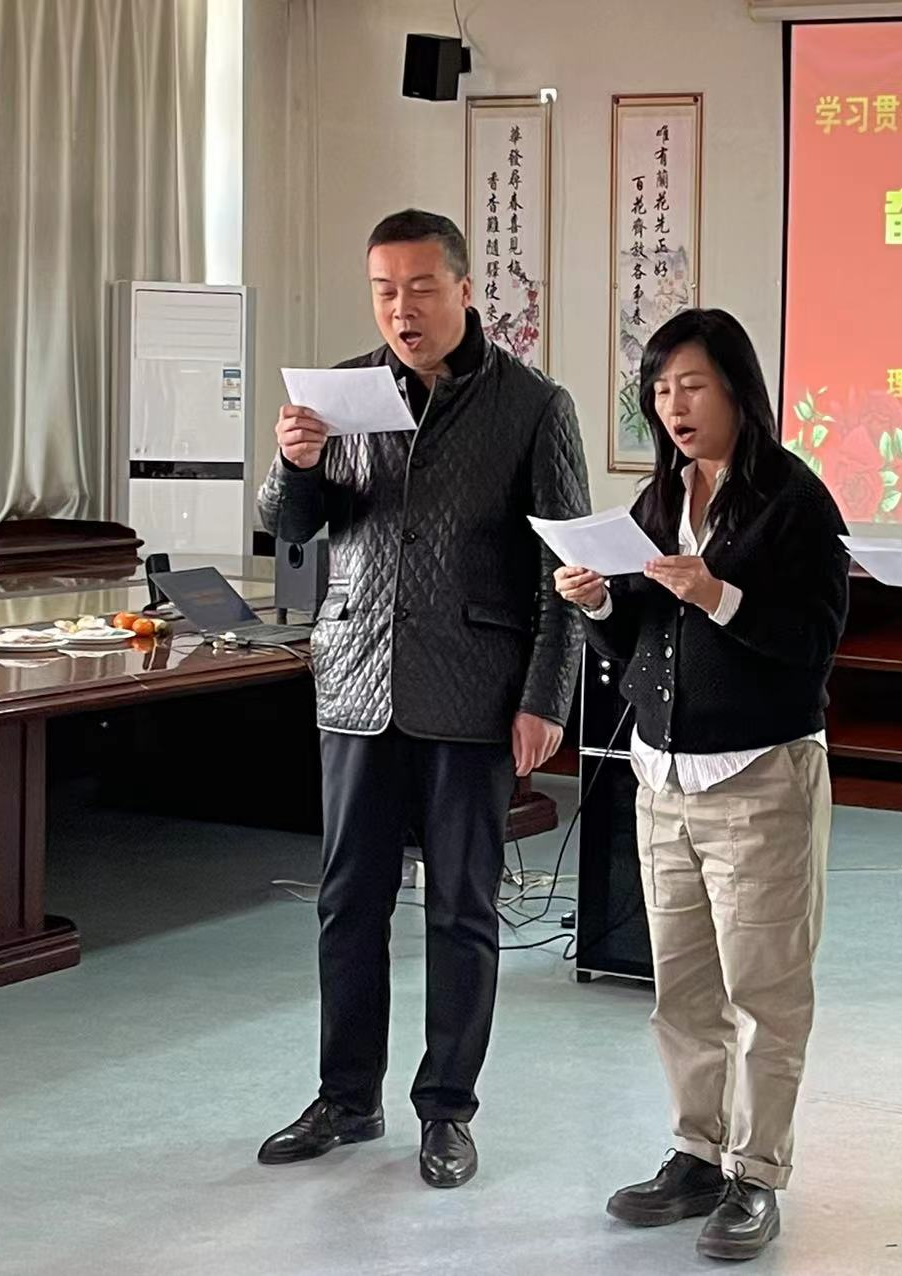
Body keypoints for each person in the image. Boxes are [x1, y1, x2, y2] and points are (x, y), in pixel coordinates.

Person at [255, 208, 589, 1188]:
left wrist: (547, 697)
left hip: (472, 689)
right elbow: (291, 527)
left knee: (462, 909)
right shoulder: (341, 395)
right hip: (356, 680)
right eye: (384, 291)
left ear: (465, 290)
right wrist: (293, 462)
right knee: (347, 902)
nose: (401, 309)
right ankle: (345, 1097)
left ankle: (446, 1109)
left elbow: (562, 568)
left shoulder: (533, 405)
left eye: (420, 288)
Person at [554, 308, 848, 1262]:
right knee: (681, 988)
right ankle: (695, 1154)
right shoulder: (656, 500)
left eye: (692, 386)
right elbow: (641, 635)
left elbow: (815, 642)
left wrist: (718, 595)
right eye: (660, 390)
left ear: (737, 391)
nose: (673, 407)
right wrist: (598, 603)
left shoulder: (795, 502)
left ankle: (755, 1175)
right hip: (663, 776)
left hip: (759, 775)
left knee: (766, 994)